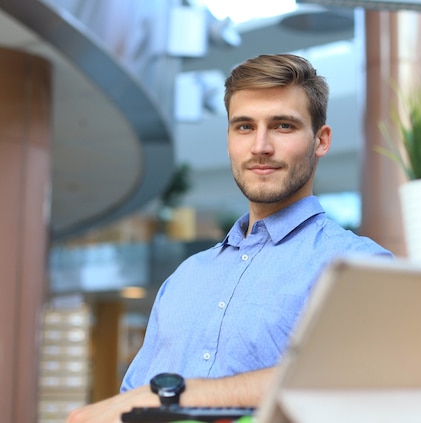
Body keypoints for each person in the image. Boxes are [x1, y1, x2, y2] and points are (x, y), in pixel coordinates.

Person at [66, 53, 392, 423]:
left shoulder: (360, 266)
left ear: (321, 140)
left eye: (283, 126)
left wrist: (177, 398)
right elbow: (132, 402)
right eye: (244, 127)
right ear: (229, 139)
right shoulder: (185, 278)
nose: (260, 146)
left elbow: (354, 381)